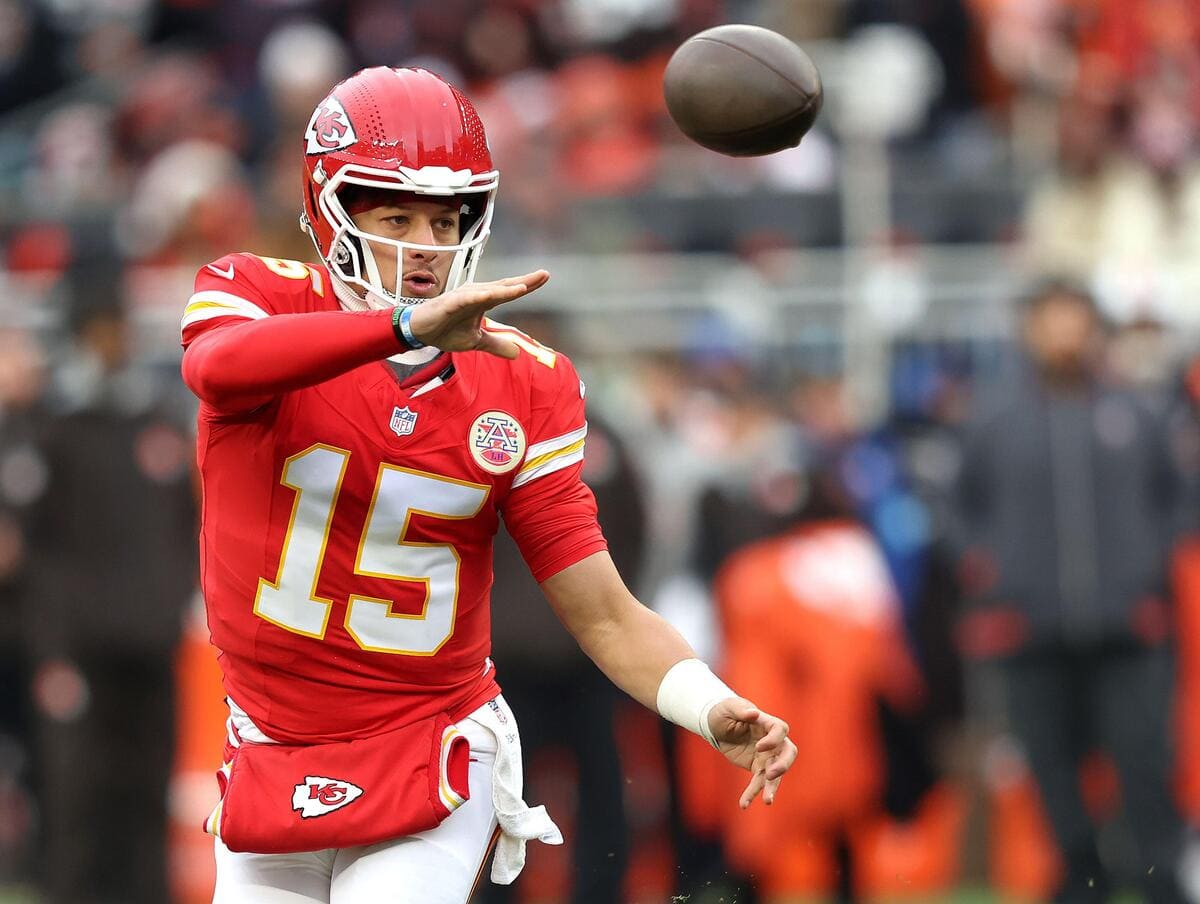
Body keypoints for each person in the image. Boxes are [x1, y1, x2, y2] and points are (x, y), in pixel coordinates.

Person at [179, 66, 797, 904]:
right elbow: (216, 369)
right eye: (396, 216)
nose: (425, 245)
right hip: (269, 743)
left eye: (444, 218)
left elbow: (605, 611)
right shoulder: (254, 295)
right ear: (332, 210)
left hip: (428, 744)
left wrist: (708, 704)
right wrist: (395, 328)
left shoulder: (523, 381)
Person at [955, 283, 1190, 904]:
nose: (1063, 334)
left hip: (1129, 631)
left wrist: (1146, 575)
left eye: (1073, 321)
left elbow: (1176, 503)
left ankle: (1161, 881)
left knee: (1143, 766)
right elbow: (958, 512)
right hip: (1030, 633)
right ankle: (1077, 880)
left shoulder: (1135, 413)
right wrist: (993, 576)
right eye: (1049, 321)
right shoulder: (995, 419)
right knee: (1052, 773)